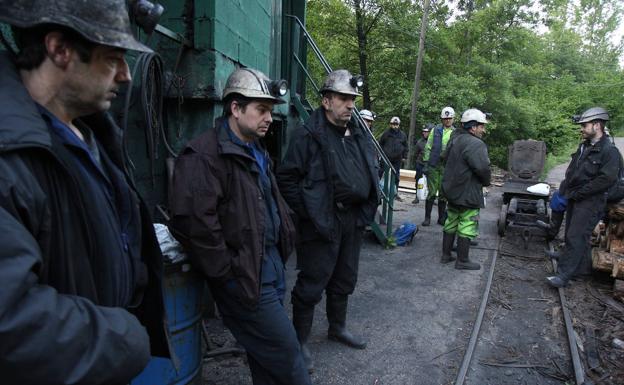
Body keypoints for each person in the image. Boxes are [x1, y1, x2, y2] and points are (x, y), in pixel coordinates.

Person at [0, 1, 171, 383]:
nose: (126, 75)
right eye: (113, 58)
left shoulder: (87, 133)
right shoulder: (10, 154)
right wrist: (125, 337)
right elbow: (10, 321)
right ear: (59, 49)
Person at [169, 68, 311, 384]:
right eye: (261, 109)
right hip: (244, 277)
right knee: (289, 357)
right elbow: (194, 226)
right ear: (235, 108)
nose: (269, 118)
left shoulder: (254, 149)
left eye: (271, 111)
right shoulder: (204, 155)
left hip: (269, 267)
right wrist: (228, 276)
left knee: (266, 358)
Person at [277, 69, 380, 371]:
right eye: (344, 98)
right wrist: (311, 211)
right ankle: (300, 343)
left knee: (345, 276)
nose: (350, 105)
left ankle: (337, 327)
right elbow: (286, 179)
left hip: (352, 219)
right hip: (323, 221)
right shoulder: (308, 135)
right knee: (312, 282)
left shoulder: (358, 132)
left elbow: (370, 168)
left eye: (353, 99)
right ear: (326, 101)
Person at [546, 107, 621, 288]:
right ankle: (581, 270)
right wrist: (566, 190)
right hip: (576, 197)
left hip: (591, 200)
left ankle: (564, 275)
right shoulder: (586, 146)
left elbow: (606, 179)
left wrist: (581, 192)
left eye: (585, 125)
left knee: (576, 235)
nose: (582, 128)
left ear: (597, 125)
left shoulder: (609, 151)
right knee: (575, 232)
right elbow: (574, 171)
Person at [440, 109, 491, 270]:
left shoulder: (455, 138)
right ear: (473, 127)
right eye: (482, 126)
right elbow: (482, 169)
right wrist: (486, 181)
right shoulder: (476, 144)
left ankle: (446, 255)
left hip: (451, 190)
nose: (484, 130)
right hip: (467, 192)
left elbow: (444, 158)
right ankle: (462, 261)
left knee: (451, 221)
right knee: (467, 224)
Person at [422, 106, 456, 225]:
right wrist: (426, 163)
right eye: (445, 118)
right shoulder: (435, 130)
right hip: (433, 165)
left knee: (443, 193)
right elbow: (428, 146)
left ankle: (441, 218)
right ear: (442, 119)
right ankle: (427, 218)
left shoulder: (455, 133)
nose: (447, 120)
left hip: (446, 167)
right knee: (431, 192)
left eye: (449, 118)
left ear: (453, 119)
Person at [379, 116, 408, 201]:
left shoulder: (402, 135)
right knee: (380, 173)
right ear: (390, 124)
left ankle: (395, 193)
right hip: (386, 158)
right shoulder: (386, 134)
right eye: (393, 124)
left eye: (396, 124)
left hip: (397, 159)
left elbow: (406, 146)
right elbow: (380, 144)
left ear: (399, 125)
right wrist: (381, 155)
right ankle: (379, 191)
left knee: (396, 176)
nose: (395, 126)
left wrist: (404, 156)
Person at [412, 123, 433, 204]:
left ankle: (430, 197)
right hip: (420, 164)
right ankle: (416, 197)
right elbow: (415, 154)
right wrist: (417, 162)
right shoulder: (420, 142)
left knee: (431, 182)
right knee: (418, 180)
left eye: (426, 132)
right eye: (423, 131)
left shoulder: (434, 142)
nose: (424, 133)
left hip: (430, 165)